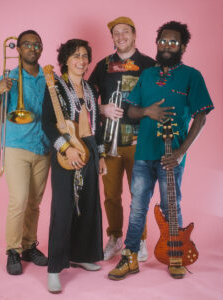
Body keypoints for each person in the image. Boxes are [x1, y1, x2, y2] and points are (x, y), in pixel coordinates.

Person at [108, 21, 214, 280]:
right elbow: (130, 110)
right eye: (163, 41)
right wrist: (146, 111)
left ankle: (174, 256)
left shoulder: (192, 75)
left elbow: (201, 117)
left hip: (171, 157)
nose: (166, 46)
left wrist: (180, 153)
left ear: (183, 46)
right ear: (157, 44)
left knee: (171, 206)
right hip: (144, 153)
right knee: (137, 208)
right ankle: (130, 257)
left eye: (173, 42)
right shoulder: (147, 75)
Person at [42, 39, 106, 293]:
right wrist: (66, 149)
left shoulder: (91, 89)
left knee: (88, 203)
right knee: (64, 206)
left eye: (85, 56)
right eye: (75, 56)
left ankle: (81, 254)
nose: (81, 60)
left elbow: (96, 126)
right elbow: (47, 123)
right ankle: (55, 268)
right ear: (65, 60)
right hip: (64, 149)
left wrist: (100, 155)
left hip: (89, 147)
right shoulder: (54, 86)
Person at [89, 16, 155, 262]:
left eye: (125, 32)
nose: (121, 37)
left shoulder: (149, 64)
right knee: (111, 195)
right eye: (116, 33)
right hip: (109, 141)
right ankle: (115, 237)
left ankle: (139, 239)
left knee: (140, 195)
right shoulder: (103, 65)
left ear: (134, 35)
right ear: (113, 38)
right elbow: (87, 97)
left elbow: (158, 98)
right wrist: (103, 107)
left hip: (140, 141)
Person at [0, 30, 51, 275]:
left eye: (37, 44)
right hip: (17, 146)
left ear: (41, 48)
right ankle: (12, 251)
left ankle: (28, 246)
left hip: (44, 147)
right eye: (27, 44)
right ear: (18, 49)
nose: (32, 48)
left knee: (34, 203)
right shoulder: (8, 78)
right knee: (19, 200)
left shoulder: (49, 79)